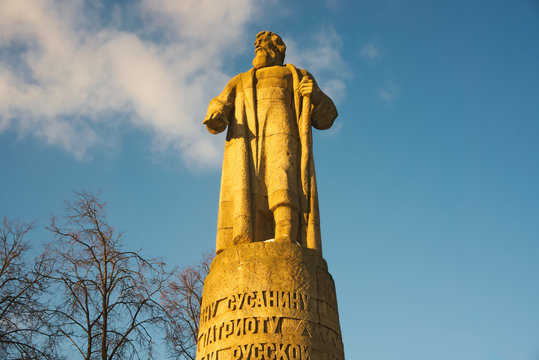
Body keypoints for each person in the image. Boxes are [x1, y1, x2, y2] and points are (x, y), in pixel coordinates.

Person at [204, 31, 337, 254]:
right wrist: (216, 114)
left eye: (263, 43)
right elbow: (220, 102)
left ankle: (286, 233)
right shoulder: (241, 80)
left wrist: (315, 95)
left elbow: (328, 116)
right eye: (256, 44)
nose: (257, 45)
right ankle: (246, 239)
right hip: (250, 142)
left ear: (277, 49)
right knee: (248, 189)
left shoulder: (296, 75)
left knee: (282, 178)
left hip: (283, 135)